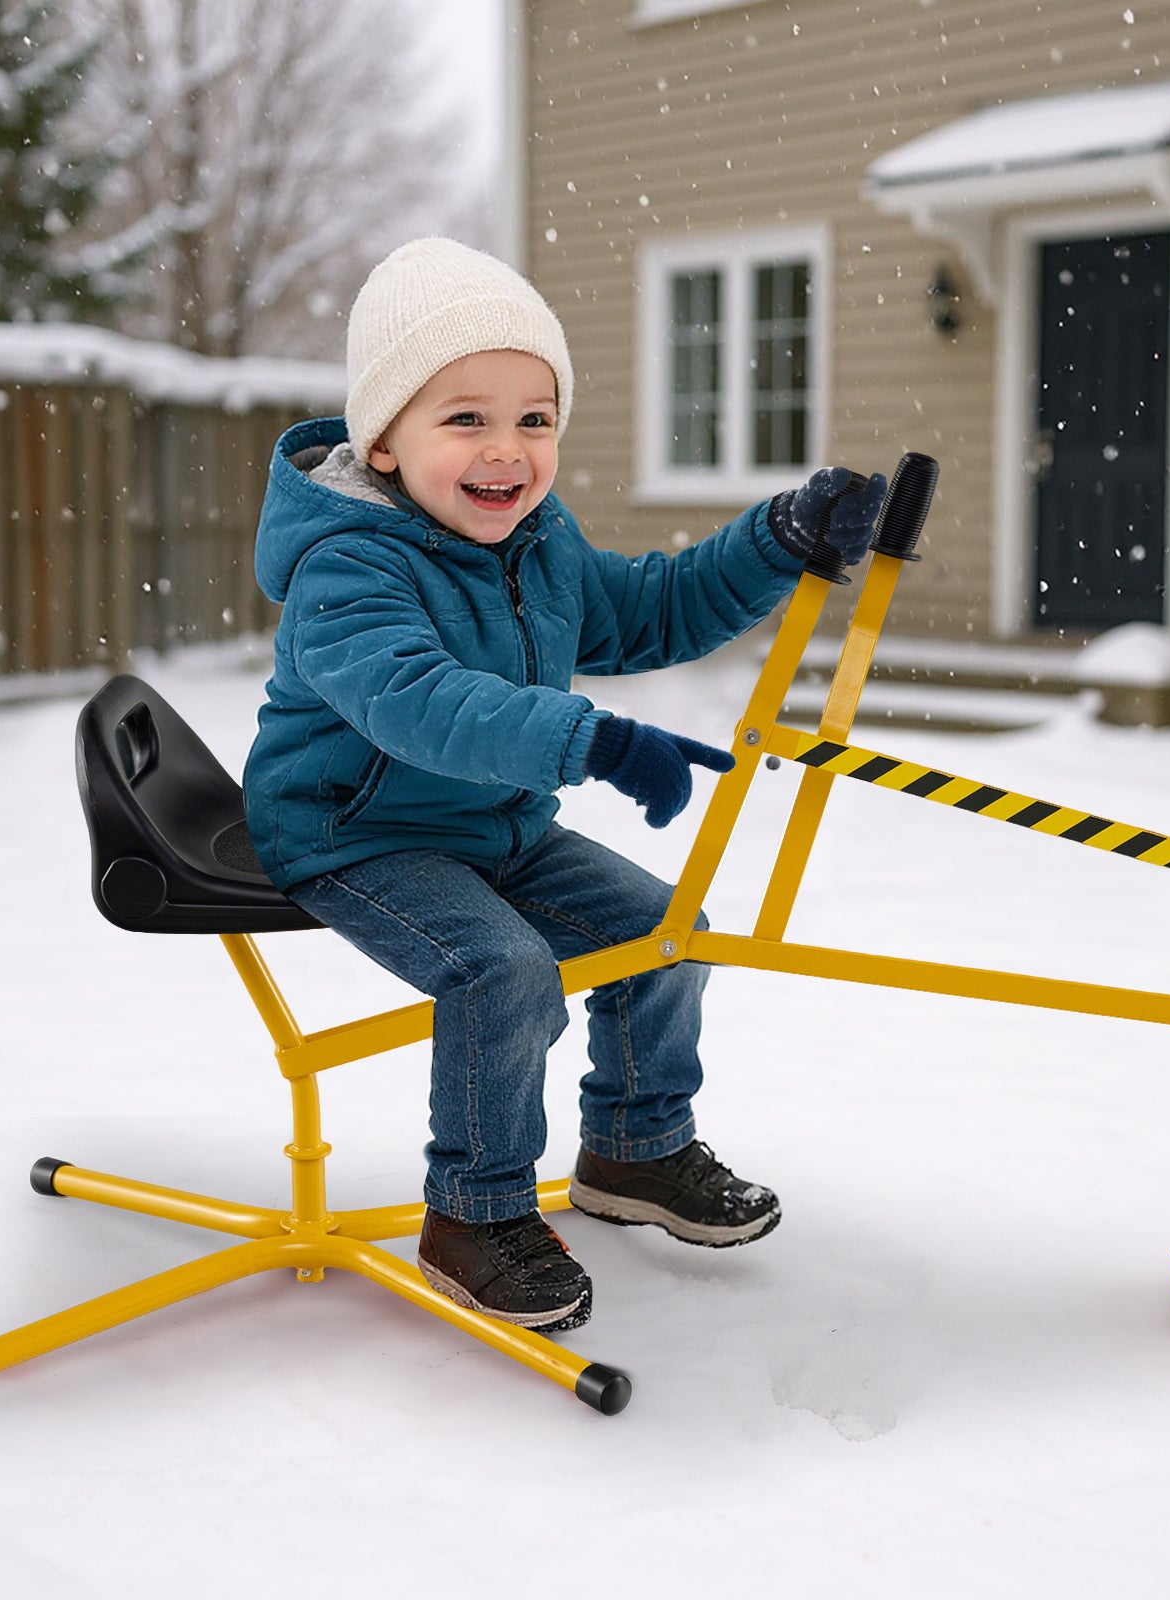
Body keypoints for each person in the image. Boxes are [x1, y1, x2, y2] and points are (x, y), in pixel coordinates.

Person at [244, 238, 885, 1332]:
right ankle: (475, 1215)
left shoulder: (537, 542)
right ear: (383, 441)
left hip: (494, 825)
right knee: (502, 970)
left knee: (665, 930)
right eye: (466, 418)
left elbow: (649, 611)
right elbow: (417, 700)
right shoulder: (347, 564)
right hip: (355, 833)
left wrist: (774, 540)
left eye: (534, 418)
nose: (507, 449)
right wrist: (593, 741)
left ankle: (635, 1148)